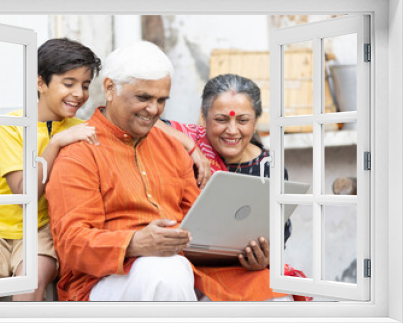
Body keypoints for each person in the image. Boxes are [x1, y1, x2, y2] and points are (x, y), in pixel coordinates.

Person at [46, 41, 305, 302]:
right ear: (110, 88)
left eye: (161, 100)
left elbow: (197, 222)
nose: (153, 110)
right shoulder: (79, 152)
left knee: (271, 290)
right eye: (143, 98)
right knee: (165, 271)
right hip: (103, 279)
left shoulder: (172, 146)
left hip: (186, 267)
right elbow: (72, 243)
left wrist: (243, 252)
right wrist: (136, 242)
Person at [0, 38, 101, 301]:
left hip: (42, 232)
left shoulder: (83, 129)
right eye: (69, 83)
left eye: (85, 86)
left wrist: (189, 144)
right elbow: (24, 193)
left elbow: (136, 120)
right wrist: (54, 144)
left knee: (28, 287)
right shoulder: (9, 127)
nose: (79, 93)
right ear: (40, 83)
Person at [156, 73, 294, 245]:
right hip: (188, 255)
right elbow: (147, 121)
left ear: (256, 121)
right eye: (221, 119)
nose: (232, 130)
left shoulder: (269, 167)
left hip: (243, 265)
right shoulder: (188, 140)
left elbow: (280, 232)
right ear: (203, 117)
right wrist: (192, 147)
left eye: (243, 120)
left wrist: (265, 257)